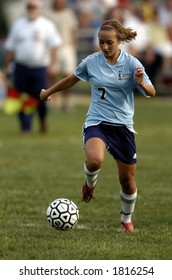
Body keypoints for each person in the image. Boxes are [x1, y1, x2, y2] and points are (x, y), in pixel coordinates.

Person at [40, 19, 156, 233]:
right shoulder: (91, 62)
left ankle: (126, 220)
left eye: (109, 42)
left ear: (119, 40)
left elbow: (152, 92)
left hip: (123, 127)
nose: (104, 47)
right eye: (101, 42)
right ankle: (89, 185)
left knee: (127, 181)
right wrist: (49, 92)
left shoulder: (132, 64)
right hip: (97, 122)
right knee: (94, 160)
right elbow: (71, 79)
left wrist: (141, 84)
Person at [3, 0, 62, 134]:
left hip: (40, 68)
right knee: (22, 98)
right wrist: (7, 67)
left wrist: (53, 65)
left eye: (33, 6)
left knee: (42, 97)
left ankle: (42, 120)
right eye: (29, 6)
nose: (31, 9)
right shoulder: (18, 25)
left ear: (39, 8)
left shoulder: (47, 25)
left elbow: (54, 46)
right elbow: (10, 47)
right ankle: (25, 127)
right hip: (21, 67)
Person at [46, 0, 78, 111]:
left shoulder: (69, 13)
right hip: (53, 48)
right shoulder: (48, 14)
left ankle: (66, 100)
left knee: (68, 75)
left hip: (66, 47)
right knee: (52, 74)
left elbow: (73, 30)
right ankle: (53, 100)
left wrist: (73, 47)